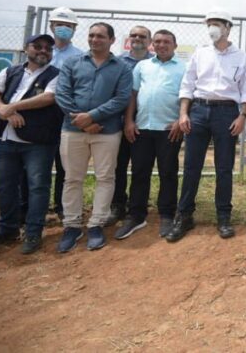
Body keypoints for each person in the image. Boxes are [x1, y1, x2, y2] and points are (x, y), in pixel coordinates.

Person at [166, 9, 246, 242]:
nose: (211, 28)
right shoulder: (200, 53)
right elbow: (188, 84)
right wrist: (184, 113)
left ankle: (224, 217)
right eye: (209, 24)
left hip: (227, 113)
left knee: (224, 168)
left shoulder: (241, 56)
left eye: (216, 23)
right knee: (192, 166)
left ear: (228, 27)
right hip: (199, 110)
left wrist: (242, 116)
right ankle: (184, 216)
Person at [55, 22, 132, 252]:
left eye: (100, 36)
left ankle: (96, 224)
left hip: (106, 132)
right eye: (91, 35)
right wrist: (81, 120)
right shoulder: (72, 62)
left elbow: (121, 98)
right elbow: (62, 94)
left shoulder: (122, 68)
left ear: (111, 40)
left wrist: (92, 116)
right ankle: (72, 226)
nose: (94, 39)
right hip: (72, 130)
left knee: (105, 177)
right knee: (72, 178)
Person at [0, 34, 62, 254]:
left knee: (38, 187)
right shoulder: (10, 71)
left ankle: (33, 233)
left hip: (38, 142)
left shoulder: (55, 75)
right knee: (4, 185)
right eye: (37, 47)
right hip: (6, 139)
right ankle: (8, 228)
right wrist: (2, 110)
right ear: (26, 49)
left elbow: (48, 98)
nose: (43, 51)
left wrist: (11, 107)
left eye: (48, 49)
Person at [115, 30, 186, 240]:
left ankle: (166, 214)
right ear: (152, 45)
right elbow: (133, 94)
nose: (161, 45)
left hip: (169, 129)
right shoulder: (142, 66)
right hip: (142, 127)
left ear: (175, 44)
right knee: (139, 172)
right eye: (157, 42)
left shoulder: (184, 68)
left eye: (166, 42)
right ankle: (136, 215)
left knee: (168, 172)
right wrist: (129, 121)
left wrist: (179, 120)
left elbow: (187, 96)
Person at [107, 25, 153, 226]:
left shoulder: (155, 62)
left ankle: (137, 207)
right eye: (133, 35)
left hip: (146, 122)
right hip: (118, 122)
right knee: (118, 166)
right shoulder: (116, 62)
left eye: (142, 36)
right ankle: (117, 204)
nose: (137, 39)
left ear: (149, 41)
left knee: (141, 167)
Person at [48, 7, 82, 219]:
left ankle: (61, 207)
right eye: (59, 25)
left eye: (68, 26)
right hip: (39, 115)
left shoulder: (79, 56)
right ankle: (32, 207)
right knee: (39, 163)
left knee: (65, 164)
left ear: (74, 29)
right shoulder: (42, 50)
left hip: (66, 113)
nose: (63, 29)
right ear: (51, 26)